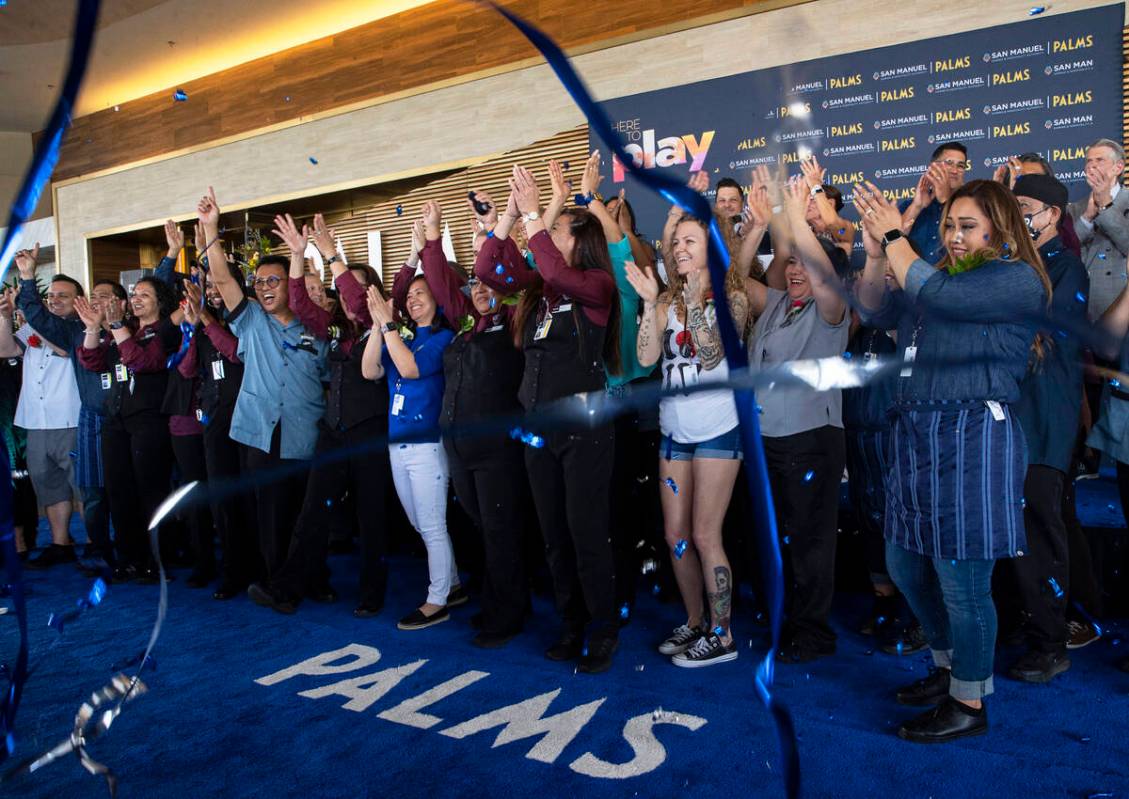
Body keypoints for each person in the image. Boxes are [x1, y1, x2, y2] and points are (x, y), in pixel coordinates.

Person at [853, 178, 1049, 743]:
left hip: (973, 439)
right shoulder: (933, 277)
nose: (954, 236)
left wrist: (895, 232)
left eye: (967, 226)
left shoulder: (1014, 279)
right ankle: (945, 668)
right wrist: (873, 253)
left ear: (999, 229)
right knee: (905, 564)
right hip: (916, 434)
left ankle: (969, 700)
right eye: (948, 226)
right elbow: (871, 307)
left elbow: (945, 298)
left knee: (962, 584)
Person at [475, 164, 622, 674]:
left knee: (585, 532)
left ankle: (603, 628)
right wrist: (510, 217)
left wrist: (538, 212)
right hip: (538, 429)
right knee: (553, 534)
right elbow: (489, 271)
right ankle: (571, 623)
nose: (549, 233)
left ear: (582, 242)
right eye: (550, 229)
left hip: (584, 429)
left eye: (559, 230)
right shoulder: (540, 291)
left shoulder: (597, 286)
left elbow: (557, 270)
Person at [250, 212, 392, 618]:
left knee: (371, 516)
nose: (350, 298)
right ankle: (286, 588)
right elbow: (299, 302)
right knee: (313, 512)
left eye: (360, 291)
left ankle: (371, 594)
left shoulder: (378, 325)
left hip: (370, 432)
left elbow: (359, 304)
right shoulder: (333, 329)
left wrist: (331, 253)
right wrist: (298, 255)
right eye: (346, 291)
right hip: (333, 432)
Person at [625, 210, 749, 667]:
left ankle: (723, 633)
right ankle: (696, 621)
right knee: (676, 535)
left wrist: (695, 301)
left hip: (718, 429)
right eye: (676, 243)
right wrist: (648, 305)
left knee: (704, 533)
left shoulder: (732, 299)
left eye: (689, 243)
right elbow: (644, 358)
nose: (678, 250)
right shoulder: (663, 304)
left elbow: (713, 355)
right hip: (674, 432)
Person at [197, 187, 330, 584]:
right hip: (262, 434)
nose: (264, 287)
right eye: (259, 281)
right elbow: (221, 279)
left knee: (310, 511)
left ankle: (313, 579)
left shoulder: (318, 328)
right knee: (272, 513)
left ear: (291, 284)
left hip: (307, 432)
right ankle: (277, 581)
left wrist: (298, 255)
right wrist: (211, 231)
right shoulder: (252, 319)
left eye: (274, 280)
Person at [748, 177, 849, 663]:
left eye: (803, 266)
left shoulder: (832, 312)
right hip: (768, 441)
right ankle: (786, 618)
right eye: (789, 263)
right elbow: (729, 279)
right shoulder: (773, 307)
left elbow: (824, 276)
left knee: (810, 541)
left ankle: (813, 632)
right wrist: (760, 222)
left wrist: (795, 211)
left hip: (811, 440)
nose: (794, 271)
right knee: (779, 536)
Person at [419, 195, 528, 647]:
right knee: (482, 528)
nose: (481, 292)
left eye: (489, 285)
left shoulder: (517, 314)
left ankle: (510, 612)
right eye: (475, 287)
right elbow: (442, 284)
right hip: (459, 448)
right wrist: (431, 237)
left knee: (502, 531)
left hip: (498, 449)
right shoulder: (466, 323)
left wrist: (498, 228)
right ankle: (494, 601)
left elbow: (511, 275)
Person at [999, 174, 1089, 683]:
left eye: (1026, 208)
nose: (1020, 217)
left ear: (1054, 213)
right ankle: (1019, 626)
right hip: (1008, 421)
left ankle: (1051, 643)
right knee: (1011, 535)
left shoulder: (1067, 268)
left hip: (1045, 423)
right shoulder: (1015, 267)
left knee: (1039, 532)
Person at [362, 241, 460, 631]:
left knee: (433, 525)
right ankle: (452, 584)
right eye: (411, 295)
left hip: (426, 445)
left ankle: (438, 601)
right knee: (420, 523)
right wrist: (377, 325)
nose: (414, 299)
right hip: (396, 444)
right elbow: (370, 370)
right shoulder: (398, 335)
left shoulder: (442, 338)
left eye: (422, 293)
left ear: (439, 298)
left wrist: (388, 327)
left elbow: (413, 369)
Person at [75, 275, 182, 582]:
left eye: (144, 295)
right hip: (116, 421)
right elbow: (93, 361)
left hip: (149, 420)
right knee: (119, 492)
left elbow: (142, 362)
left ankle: (156, 559)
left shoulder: (165, 331)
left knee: (151, 491)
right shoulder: (127, 330)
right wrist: (94, 327)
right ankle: (129, 558)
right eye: (134, 293)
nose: (136, 298)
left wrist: (118, 326)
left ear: (160, 302)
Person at [176, 248, 259, 600]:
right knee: (222, 499)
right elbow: (186, 369)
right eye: (207, 291)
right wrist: (193, 329)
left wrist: (207, 320)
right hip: (214, 421)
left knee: (252, 497)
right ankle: (233, 572)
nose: (211, 295)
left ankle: (262, 569)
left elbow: (234, 351)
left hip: (249, 418)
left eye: (216, 290)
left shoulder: (249, 319)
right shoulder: (202, 326)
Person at [0, 249, 82, 568]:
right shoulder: (34, 328)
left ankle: (94, 543)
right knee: (49, 486)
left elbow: (61, 347)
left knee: (81, 485)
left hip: (69, 417)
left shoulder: (78, 327)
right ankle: (60, 542)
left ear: (78, 300)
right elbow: (6, 349)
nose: (55, 299)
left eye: (64, 295)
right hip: (35, 420)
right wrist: (7, 316)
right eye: (53, 295)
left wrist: (29, 302)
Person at [1068, 139, 1129, 321]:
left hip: (1121, 310)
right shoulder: (1074, 208)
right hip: (1082, 310)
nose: (1092, 166)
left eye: (1100, 160)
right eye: (1089, 161)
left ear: (1118, 168)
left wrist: (1106, 206)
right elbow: (1069, 249)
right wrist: (1086, 218)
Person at [899, 141, 969, 265]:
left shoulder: (971, 205)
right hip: (913, 282)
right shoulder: (910, 205)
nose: (955, 170)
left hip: (953, 281)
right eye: (949, 163)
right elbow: (892, 243)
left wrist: (945, 200)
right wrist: (917, 206)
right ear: (933, 167)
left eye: (960, 166)